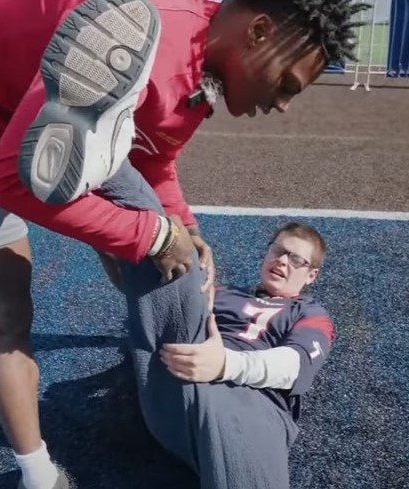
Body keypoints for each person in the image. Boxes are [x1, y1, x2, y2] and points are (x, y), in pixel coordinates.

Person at [0, 0, 365, 487]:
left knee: (156, 256)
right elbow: (11, 183)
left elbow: (154, 157)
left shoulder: (202, 61)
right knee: (6, 306)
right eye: (287, 83)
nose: (283, 104)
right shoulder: (144, 40)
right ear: (259, 31)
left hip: (42, 93)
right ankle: (38, 476)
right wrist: (153, 235)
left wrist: (185, 229)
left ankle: (153, 350)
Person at [98, 193, 334, 488]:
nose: (283, 261)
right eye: (278, 250)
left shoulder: (310, 313)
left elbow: (296, 366)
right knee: (177, 259)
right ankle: (113, 197)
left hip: (249, 398)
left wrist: (224, 364)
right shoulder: (224, 291)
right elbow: (160, 303)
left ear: (311, 275)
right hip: (177, 370)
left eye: (296, 259)